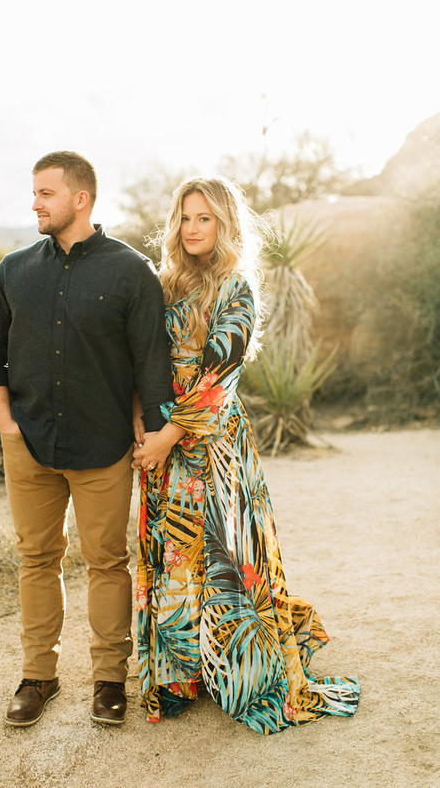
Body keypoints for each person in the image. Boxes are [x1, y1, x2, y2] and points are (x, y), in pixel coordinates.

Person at [132, 176, 360, 733]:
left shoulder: (238, 286)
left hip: (210, 442)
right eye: (184, 218)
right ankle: (181, 675)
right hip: (162, 440)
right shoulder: (163, 284)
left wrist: (166, 436)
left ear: (225, 224)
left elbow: (220, 374)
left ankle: (237, 670)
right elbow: (140, 356)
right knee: (173, 550)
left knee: (221, 551)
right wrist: (143, 422)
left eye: (203, 218)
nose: (191, 229)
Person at [0, 151, 173, 727]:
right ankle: (39, 676)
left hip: (103, 446)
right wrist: (5, 419)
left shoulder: (131, 272)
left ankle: (110, 681)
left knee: (107, 562)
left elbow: (151, 362)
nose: (34, 203)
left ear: (80, 199)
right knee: (36, 558)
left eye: (45, 194)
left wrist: (153, 432)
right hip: (28, 443)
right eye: (34, 193)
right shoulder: (14, 269)